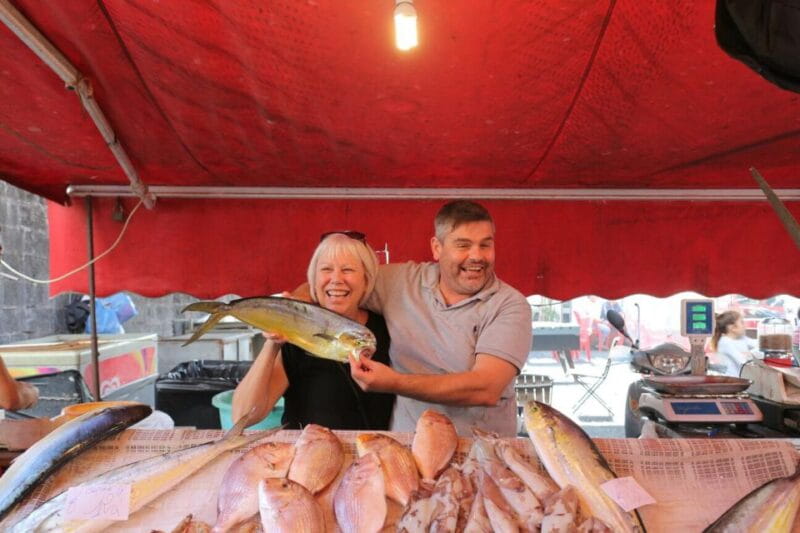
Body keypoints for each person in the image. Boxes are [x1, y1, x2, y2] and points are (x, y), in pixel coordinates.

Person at [346, 200, 532, 437]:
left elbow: (485, 388)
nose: (477, 256)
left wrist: (394, 382)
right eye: (463, 245)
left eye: (485, 245)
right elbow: (332, 285)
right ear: (437, 248)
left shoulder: (509, 305)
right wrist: (296, 300)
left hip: (482, 457)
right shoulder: (399, 281)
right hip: (407, 451)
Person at [232, 232, 395, 430]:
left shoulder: (388, 329)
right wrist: (272, 344)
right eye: (326, 269)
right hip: (308, 455)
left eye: (348, 270)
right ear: (313, 280)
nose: (336, 279)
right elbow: (243, 416)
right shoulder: (294, 334)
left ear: (366, 281)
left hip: (370, 454)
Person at [710, 310, 759, 376]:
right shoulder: (725, 342)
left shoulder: (741, 338)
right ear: (732, 328)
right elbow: (743, 361)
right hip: (732, 379)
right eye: (742, 322)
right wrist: (750, 354)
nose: (745, 326)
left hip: (742, 376)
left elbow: (759, 344)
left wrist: (749, 354)